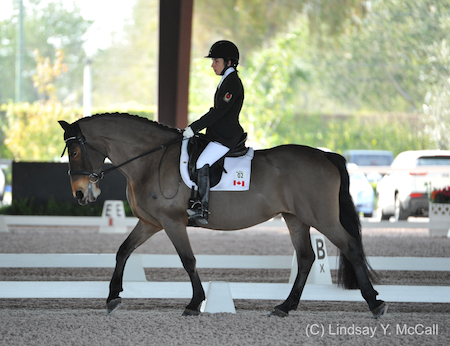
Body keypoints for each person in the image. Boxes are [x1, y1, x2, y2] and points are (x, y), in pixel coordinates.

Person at [183, 40, 245, 224]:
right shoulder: (226, 80)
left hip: (226, 137)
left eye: (216, 61)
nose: (212, 65)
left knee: (202, 161)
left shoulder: (232, 83)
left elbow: (218, 112)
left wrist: (194, 128)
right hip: (217, 135)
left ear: (229, 62)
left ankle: (202, 209)